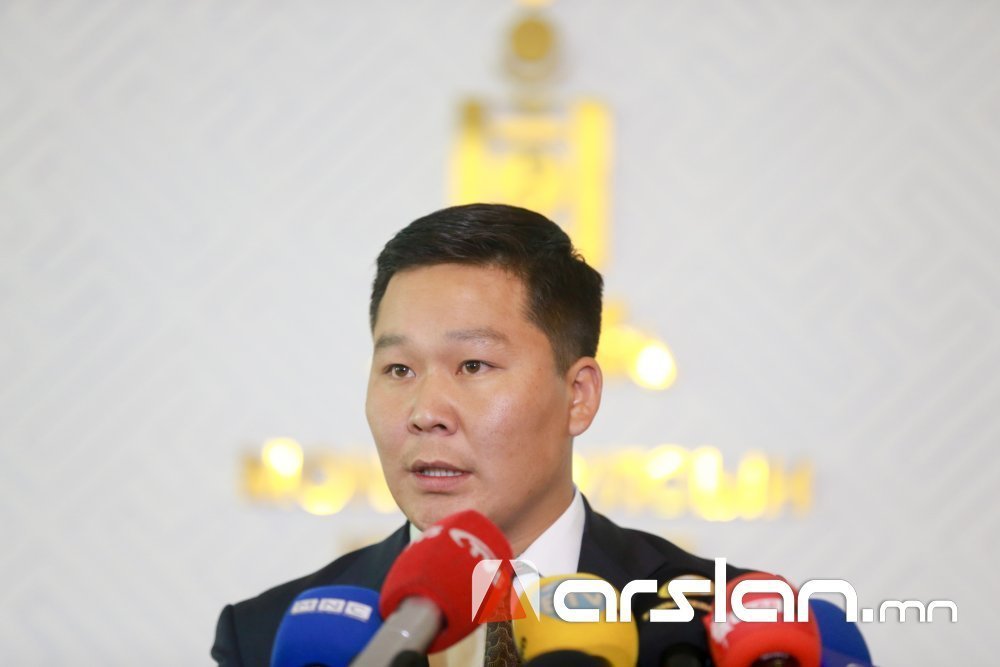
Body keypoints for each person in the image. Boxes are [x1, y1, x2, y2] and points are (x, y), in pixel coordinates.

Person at [212, 203, 746, 666]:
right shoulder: (269, 637)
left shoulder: (724, 624)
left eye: (473, 365)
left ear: (578, 395)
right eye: (399, 369)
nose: (426, 413)